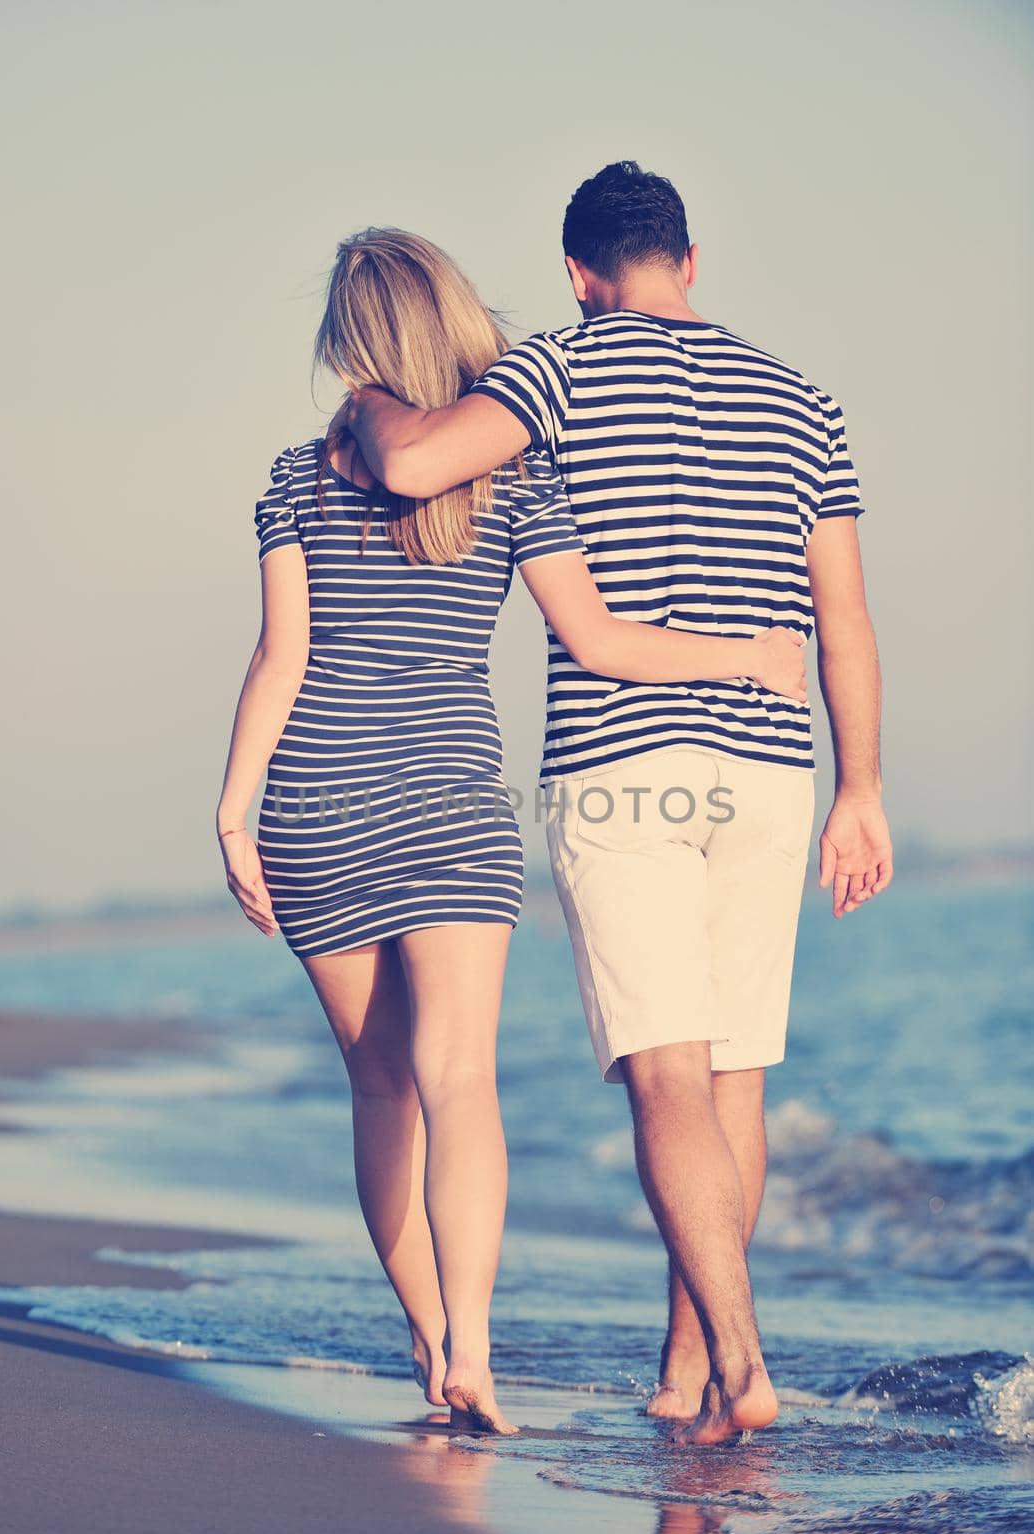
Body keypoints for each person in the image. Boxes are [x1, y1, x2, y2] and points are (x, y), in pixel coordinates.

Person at [215, 227, 808, 1436]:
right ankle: (477, 1351)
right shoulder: (514, 478)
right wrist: (745, 655)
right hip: (447, 801)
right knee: (460, 1077)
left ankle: (431, 1341)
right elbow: (598, 643)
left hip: (314, 801)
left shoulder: (293, 474)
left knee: (379, 1083)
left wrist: (234, 810)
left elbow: (282, 658)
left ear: (353, 341)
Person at [348, 163, 894, 1445]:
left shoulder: (559, 368)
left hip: (622, 764)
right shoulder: (803, 400)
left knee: (664, 1081)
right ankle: (682, 1371)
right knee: (734, 1083)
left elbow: (418, 463)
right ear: (689, 263)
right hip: (772, 766)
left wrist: (374, 398)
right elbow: (844, 616)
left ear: (580, 277)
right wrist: (860, 786)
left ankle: (742, 1364)